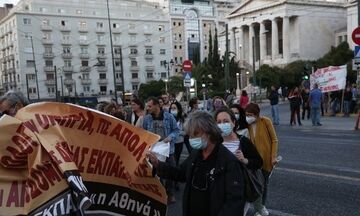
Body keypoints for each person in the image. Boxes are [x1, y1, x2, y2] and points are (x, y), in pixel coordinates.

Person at [147, 111, 246, 216]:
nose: (192, 139)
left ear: (209, 131)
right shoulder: (196, 154)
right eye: (190, 135)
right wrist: (158, 164)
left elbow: (234, 202)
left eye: (196, 134)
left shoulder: (228, 162)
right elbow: (181, 173)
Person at [215, 107, 263, 216]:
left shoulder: (243, 141)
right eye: (219, 122)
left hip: (241, 191)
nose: (222, 124)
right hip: (219, 190)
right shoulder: (215, 143)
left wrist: (245, 160)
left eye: (226, 121)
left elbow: (259, 162)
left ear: (233, 123)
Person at [142, 97, 179, 203]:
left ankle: (170, 192)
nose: (148, 108)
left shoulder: (169, 116)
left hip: (168, 150)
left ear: (157, 105)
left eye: (150, 106)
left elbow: (176, 130)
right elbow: (144, 133)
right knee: (156, 172)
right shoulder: (147, 119)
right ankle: (160, 193)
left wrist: (170, 137)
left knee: (170, 170)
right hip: (153, 150)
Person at [245, 103, 278, 216]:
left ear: (257, 115)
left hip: (266, 161)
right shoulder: (247, 125)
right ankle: (258, 207)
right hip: (253, 161)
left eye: (250, 115)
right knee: (254, 185)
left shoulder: (265, 121)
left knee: (263, 185)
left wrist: (273, 156)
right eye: (246, 114)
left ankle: (260, 207)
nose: (248, 117)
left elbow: (274, 140)